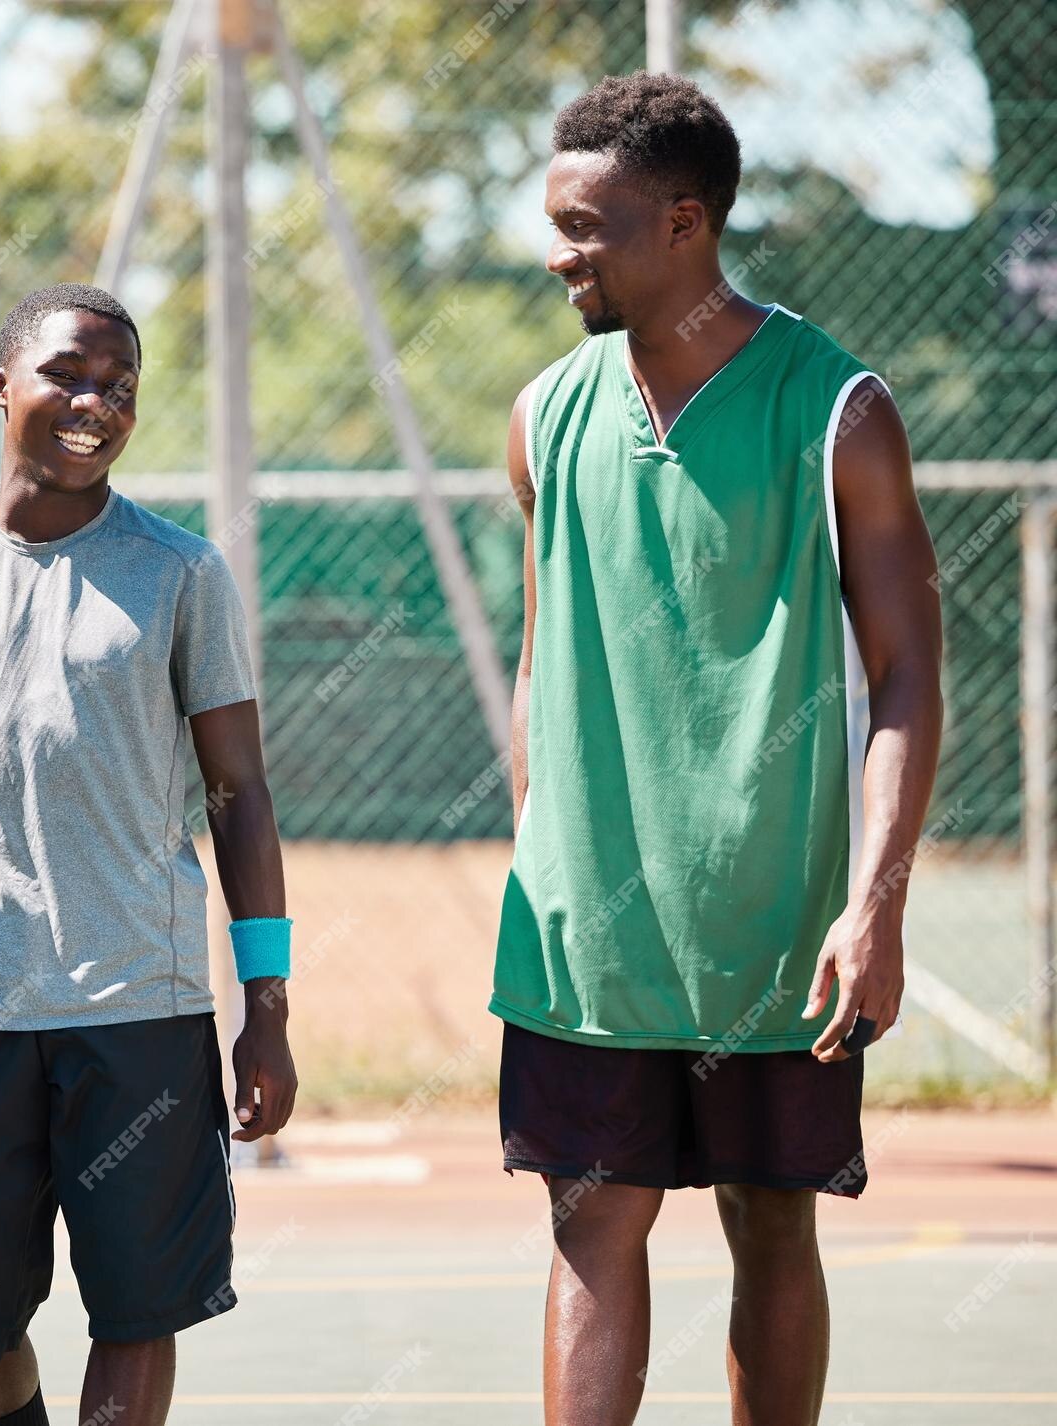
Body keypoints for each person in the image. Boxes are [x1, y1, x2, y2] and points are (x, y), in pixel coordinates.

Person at [492, 75, 943, 1425]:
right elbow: (539, 655)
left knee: (774, 1225)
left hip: (778, 925)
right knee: (591, 1226)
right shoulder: (541, 418)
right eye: (555, 220)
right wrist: (541, 854)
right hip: (594, 938)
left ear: (686, 222)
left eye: (590, 225)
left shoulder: (837, 411)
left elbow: (909, 673)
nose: (559, 250)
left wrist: (876, 907)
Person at [0, 283, 296, 1426]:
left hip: (142, 1003)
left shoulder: (180, 571)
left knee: (137, 1309)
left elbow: (239, 796)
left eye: (120, 384)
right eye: (68, 374)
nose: (96, 401)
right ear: (2, 386)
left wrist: (267, 1005)